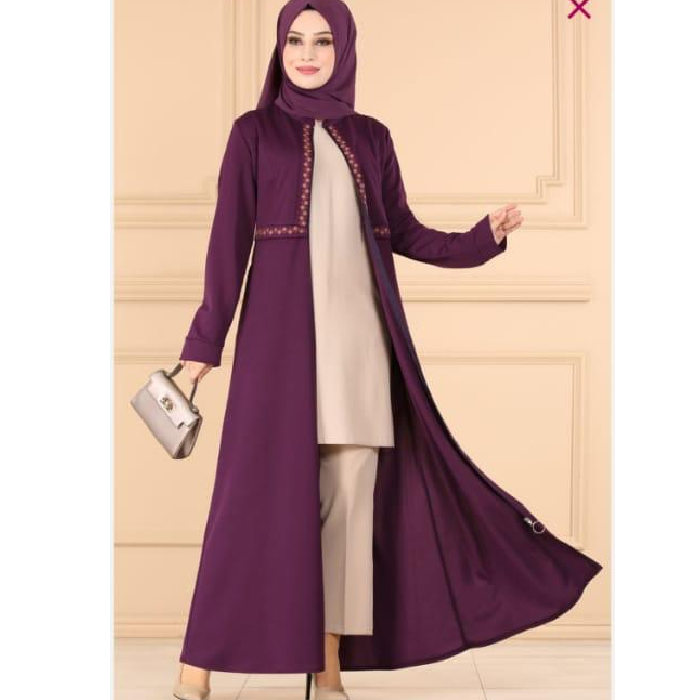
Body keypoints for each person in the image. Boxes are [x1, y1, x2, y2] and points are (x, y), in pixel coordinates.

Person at [170, 2, 598, 700]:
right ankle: (198, 665)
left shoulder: (371, 137)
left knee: (347, 516)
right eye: (295, 41)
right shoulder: (254, 133)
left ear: (344, 50)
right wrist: (202, 348)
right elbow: (227, 247)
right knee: (246, 511)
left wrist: (482, 238)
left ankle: (327, 669)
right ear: (280, 48)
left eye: (323, 41)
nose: (307, 54)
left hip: (361, 355)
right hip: (279, 360)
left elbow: (406, 232)